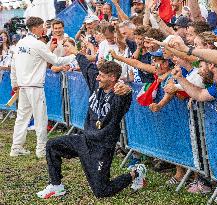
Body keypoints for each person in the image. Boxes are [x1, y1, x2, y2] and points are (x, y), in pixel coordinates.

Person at [37, 48, 147, 199]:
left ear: (113, 77)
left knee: (101, 191)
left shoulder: (119, 95)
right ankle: (56, 186)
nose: (98, 78)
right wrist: (75, 52)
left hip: (102, 148)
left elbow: (126, 95)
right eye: (99, 75)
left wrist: (127, 89)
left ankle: (136, 173)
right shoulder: (97, 84)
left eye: (101, 76)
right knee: (52, 145)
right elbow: (86, 65)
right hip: (85, 139)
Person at [10, 17, 76, 158]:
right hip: (34, 86)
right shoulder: (37, 44)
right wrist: (74, 56)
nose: (44, 29)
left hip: (23, 86)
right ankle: (41, 150)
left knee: (22, 118)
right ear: (34, 28)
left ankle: (16, 147)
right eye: (42, 27)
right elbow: (56, 60)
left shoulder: (21, 42)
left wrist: (14, 83)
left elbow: (13, 65)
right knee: (40, 118)